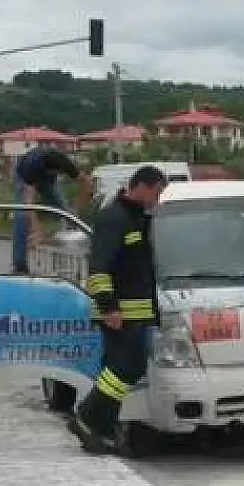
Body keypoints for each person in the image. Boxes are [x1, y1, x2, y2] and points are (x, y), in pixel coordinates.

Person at [69, 165, 167, 455]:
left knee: (119, 370)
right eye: (157, 193)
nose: (158, 200)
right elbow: (99, 267)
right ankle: (86, 417)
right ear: (142, 186)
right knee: (126, 368)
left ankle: (102, 430)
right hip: (120, 313)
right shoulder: (115, 218)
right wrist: (108, 307)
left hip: (135, 313)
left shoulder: (135, 218)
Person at [11, 145, 92, 275]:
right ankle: (19, 264)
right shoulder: (32, 165)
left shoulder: (63, 161)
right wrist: (36, 229)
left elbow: (86, 183)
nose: (58, 175)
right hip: (24, 175)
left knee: (63, 209)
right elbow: (28, 203)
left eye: (57, 173)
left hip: (47, 179)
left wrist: (77, 209)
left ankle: (69, 237)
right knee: (22, 216)